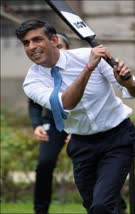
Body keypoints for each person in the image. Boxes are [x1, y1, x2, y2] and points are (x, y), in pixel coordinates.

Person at [16, 20, 135, 214]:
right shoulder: (32, 82)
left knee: (101, 206)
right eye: (26, 43)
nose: (31, 47)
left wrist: (129, 82)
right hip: (81, 145)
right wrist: (89, 68)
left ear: (54, 40)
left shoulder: (87, 55)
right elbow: (65, 104)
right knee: (93, 207)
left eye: (36, 40)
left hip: (117, 138)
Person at [28, 33, 71, 214]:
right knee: (44, 164)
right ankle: (40, 210)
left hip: (81, 124)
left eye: (60, 46)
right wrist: (37, 124)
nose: (56, 49)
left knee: (91, 163)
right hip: (53, 124)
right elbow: (33, 103)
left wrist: (77, 131)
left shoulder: (80, 69)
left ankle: (116, 207)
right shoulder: (39, 72)